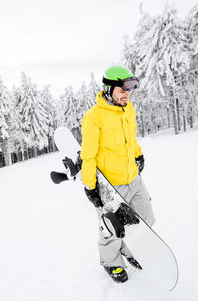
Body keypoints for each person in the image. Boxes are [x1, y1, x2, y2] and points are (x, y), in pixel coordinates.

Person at [80, 66, 156, 283]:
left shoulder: (128, 109)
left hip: (133, 177)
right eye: (123, 88)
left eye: (131, 88)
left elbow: (130, 140)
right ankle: (111, 262)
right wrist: (90, 186)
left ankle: (132, 251)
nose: (127, 93)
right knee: (111, 228)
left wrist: (139, 155)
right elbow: (88, 155)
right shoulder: (94, 117)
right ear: (109, 88)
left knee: (146, 218)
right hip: (111, 186)